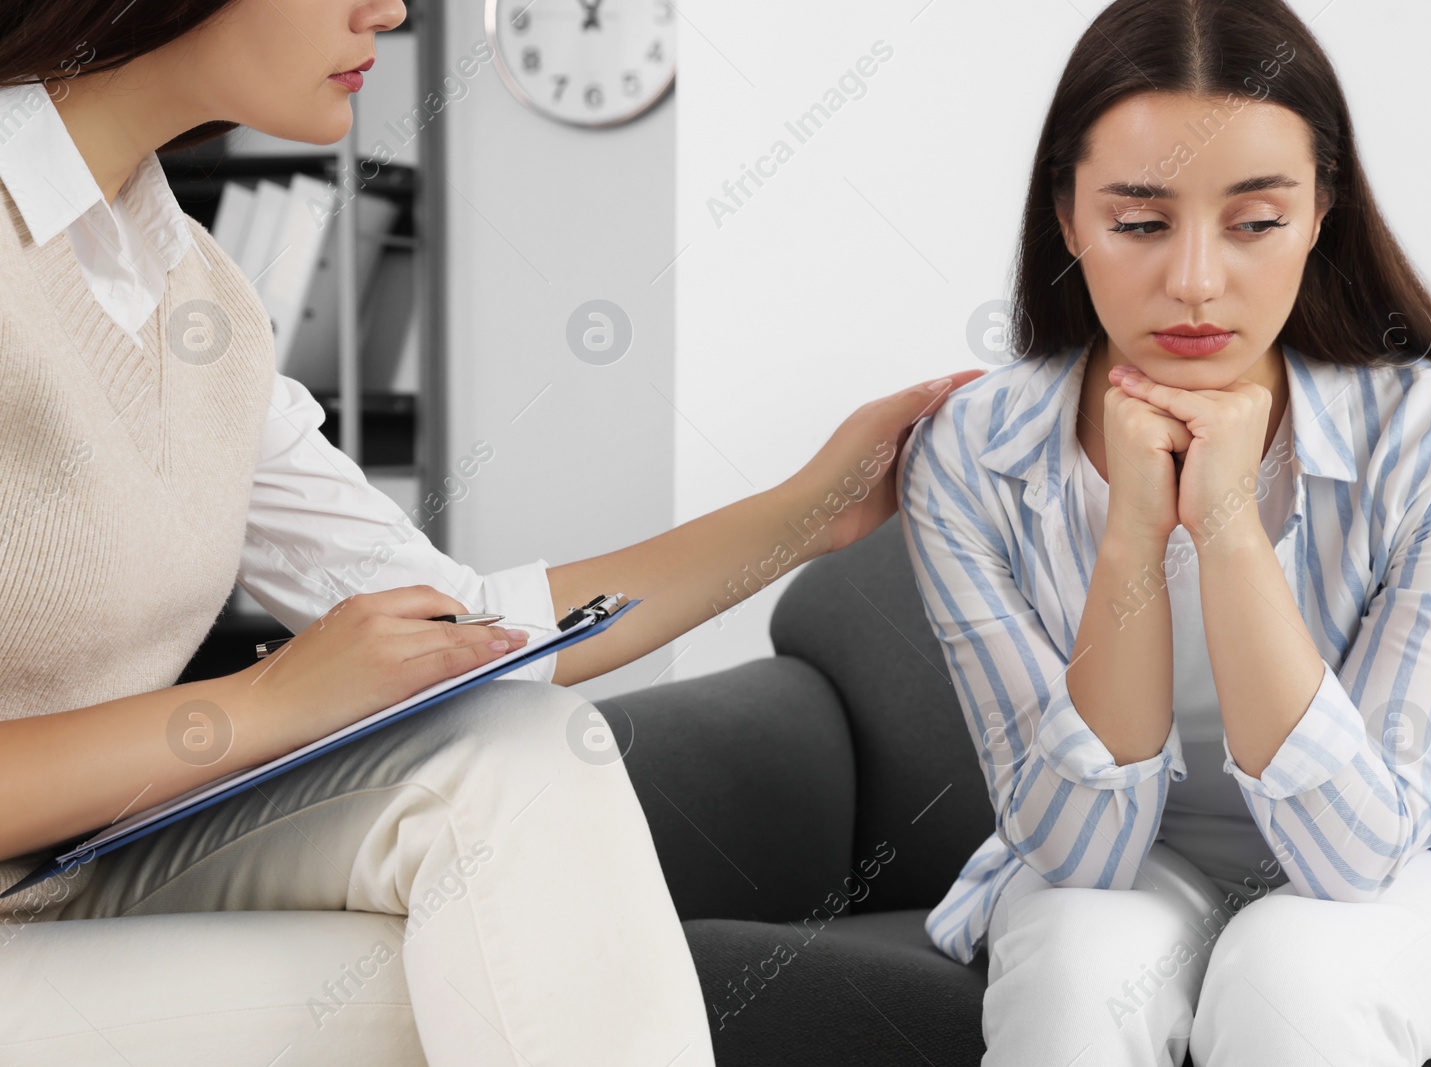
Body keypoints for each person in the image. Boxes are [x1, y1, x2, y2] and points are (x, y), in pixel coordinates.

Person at [0, 1, 982, 1064]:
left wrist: (804, 514)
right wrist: (266, 701)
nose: (394, 8)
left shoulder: (199, 296)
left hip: (83, 870)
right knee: (502, 970)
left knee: (516, 763)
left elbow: (471, 629)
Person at [896, 1, 1431, 1065]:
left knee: (1291, 970)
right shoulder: (970, 451)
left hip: (1421, 864)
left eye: (1255, 221)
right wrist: (1134, 526)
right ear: (1066, 214)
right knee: (1079, 963)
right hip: (1136, 868)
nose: (1194, 281)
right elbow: (1075, 850)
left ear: (1320, 213)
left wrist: (1224, 525)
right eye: (1137, 222)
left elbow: (1353, 859)